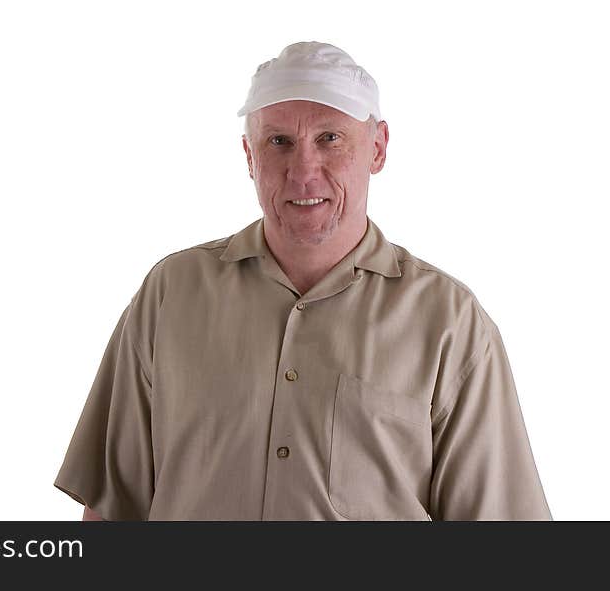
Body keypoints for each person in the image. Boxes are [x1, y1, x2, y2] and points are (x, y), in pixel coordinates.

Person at [53, 41, 552, 521]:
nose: (302, 169)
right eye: (279, 142)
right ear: (250, 156)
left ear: (377, 148)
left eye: (330, 138)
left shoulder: (449, 321)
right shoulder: (171, 293)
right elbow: (112, 507)